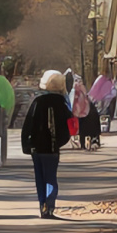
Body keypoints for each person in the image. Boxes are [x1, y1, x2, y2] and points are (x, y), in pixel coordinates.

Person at [20, 70, 71, 218]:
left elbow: (28, 124)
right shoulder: (63, 103)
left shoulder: (37, 102)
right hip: (53, 147)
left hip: (37, 147)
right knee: (51, 177)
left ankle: (42, 203)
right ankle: (50, 205)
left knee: (40, 178)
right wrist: (60, 142)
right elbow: (69, 126)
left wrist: (26, 144)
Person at [69, 74, 94, 150]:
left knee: (76, 128)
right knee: (81, 128)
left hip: (76, 111)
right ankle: (82, 143)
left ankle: (78, 143)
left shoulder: (74, 89)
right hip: (83, 110)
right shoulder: (82, 88)